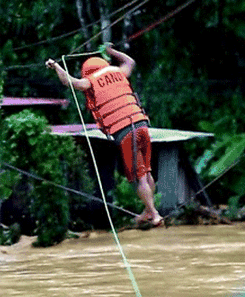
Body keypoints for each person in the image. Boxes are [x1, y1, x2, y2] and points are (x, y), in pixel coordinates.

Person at [46, 45, 163, 226]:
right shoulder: (118, 72)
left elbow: (70, 82)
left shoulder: (90, 81)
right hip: (141, 125)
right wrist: (112, 51)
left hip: (125, 132)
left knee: (139, 176)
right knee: (146, 172)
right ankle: (148, 211)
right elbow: (130, 61)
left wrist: (56, 66)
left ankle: (154, 214)